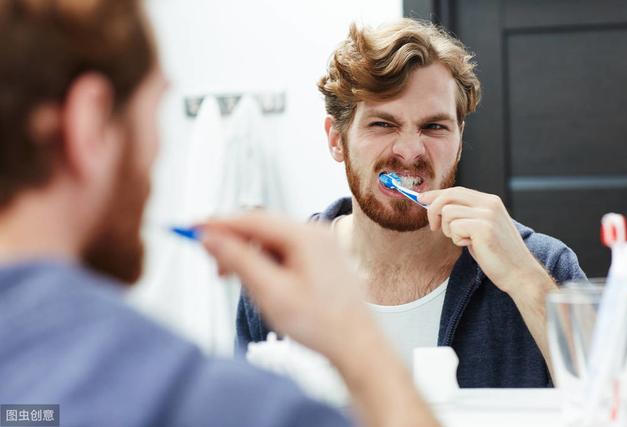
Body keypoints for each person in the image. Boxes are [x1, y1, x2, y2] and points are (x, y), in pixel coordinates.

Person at [0, 2, 440, 426]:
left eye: (435, 125)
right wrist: (360, 345)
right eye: (154, 113)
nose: (158, 150)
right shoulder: (198, 403)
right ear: (90, 122)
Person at [236, 18, 586, 388]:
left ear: (459, 138)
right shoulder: (275, 273)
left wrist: (526, 281)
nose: (410, 151)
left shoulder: (544, 265)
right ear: (337, 139)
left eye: (434, 127)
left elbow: (619, 404)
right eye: (382, 125)